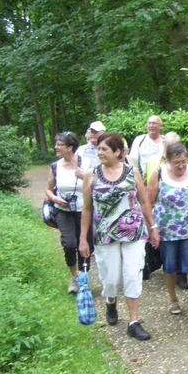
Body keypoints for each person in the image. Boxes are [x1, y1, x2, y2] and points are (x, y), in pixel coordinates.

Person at [79, 132, 156, 341]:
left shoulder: (132, 172)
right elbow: (86, 209)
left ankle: (133, 321)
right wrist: (82, 239)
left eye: (104, 149)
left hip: (134, 232)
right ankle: (110, 301)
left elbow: (144, 201)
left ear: (118, 152)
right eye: (98, 149)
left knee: (132, 275)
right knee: (111, 278)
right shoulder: (91, 175)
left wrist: (153, 227)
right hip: (104, 235)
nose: (100, 152)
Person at [147, 142, 188, 324]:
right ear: (168, 160)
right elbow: (148, 201)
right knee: (170, 267)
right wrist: (152, 229)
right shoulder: (158, 174)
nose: (181, 165)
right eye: (176, 162)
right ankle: (173, 299)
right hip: (166, 231)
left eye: (183, 161)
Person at [45, 132, 93, 294]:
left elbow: (96, 186)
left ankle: (83, 277)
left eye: (60, 145)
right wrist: (55, 199)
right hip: (63, 211)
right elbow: (48, 190)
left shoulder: (87, 163)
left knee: (86, 244)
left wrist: (83, 176)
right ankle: (74, 278)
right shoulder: (55, 166)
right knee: (69, 244)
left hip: (84, 210)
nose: (56, 147)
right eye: (56, 144)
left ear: (70, 148)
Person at [144, 132, 188, 288]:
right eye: (169, 147)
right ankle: (163, 268)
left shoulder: (187, 161)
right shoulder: (153, 162)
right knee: (163, 245)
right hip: (161, 208)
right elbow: (147, 185)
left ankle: (182, 274)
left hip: (182, 211)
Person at [129, 115, 164, 180]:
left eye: (154, 123)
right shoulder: (139, 139)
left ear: (161, 126)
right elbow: (132, 160)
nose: (151, 126)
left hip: (162, 177)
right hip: (142, 178)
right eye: (149, 123)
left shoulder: (166, 141)